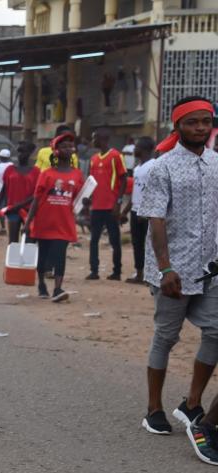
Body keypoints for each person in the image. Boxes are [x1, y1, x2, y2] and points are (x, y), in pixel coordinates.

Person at [138, 96, 218, 443]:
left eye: (206, 121)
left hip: (210, 268)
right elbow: (156, 220)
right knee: (166, 337)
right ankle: (153, 410)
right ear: (178, 126)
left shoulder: (217, 163)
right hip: (174, 269)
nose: (200, 128)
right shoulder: (162, 167)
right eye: (192, 122)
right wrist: (165, 267)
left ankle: (192, 403)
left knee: (216, 332)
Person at [24, 132, 87, 303]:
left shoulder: (77, 175)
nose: (68, 149)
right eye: (64, 146)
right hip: (44, 221)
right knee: (43, 255)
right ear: (56, 150)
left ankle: (58, 288)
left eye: (70, 146)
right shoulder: (47, 174)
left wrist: (86, 205)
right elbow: (36, 199)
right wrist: (28, 221)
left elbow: (81, 197)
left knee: (59, 255)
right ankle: (42, 284)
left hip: (64, 222)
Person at [86, 127, 127, 280]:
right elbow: (91, 181)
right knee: (94, 239)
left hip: (111, 206)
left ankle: (117, 271)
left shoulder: (116, 155)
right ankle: (94, 270)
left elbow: (123, 178)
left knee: (114, 240)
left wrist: (119, 201)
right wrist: (88, 198)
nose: (92, 141)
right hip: (96, 206)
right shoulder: (94, 158)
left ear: (102, 138)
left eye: (94, 138)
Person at [121, 136, 156, 284]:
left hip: (148, 213)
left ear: (144, 149)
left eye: (137, 147)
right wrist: (125, 210)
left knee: (151, 245)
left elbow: (155, 191)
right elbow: (136, 192)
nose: (134, 150)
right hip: (135, 211)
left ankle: (151, 275)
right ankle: (139, 273)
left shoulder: (154, 166)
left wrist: (148, 211)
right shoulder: (137, 168)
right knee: (137, 244)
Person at [0, 142, 40, 244]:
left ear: (30, 154)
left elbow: (37, 194)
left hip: (29, 211)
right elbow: (5, 187)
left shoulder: (36, 172)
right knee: (12, 241)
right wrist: (0, 204)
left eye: (23, 152)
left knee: (29, 241)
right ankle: (12, 260)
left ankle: (28, 260)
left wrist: (20, 204)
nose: (20, 155)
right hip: (13, 210)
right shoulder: (10, 169)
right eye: (19, 152)